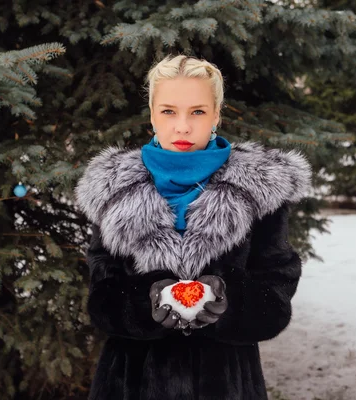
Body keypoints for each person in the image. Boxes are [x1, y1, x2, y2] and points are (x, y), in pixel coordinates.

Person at [75, 54, 312, 400]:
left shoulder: (260, 190)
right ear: (152, 115)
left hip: (226, 384)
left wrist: (231, 301)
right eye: (169, 111)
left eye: (197, 111)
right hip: (131, 383)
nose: (182, 126)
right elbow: (102, 298)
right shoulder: (112, 191)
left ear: (216, 114)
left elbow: (276, 296)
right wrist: (144, 303)